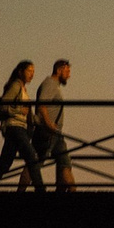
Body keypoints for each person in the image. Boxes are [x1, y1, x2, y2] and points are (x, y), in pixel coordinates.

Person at [0, 61, 44, 192]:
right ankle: (41, 190)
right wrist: (17, 111)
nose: (32, 75)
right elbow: (4, 105)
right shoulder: (16, 86)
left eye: (33, 72)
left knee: (5, 163)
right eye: (29, 71)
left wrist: (40, 120)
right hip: (15, 127)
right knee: (32, 156)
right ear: (20, 71)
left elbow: (27, 113)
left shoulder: (22, 88)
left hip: (18, 128)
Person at [33, 58, 75, 192]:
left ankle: (70, 190)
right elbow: (41, 105)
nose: (69, 74)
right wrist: (49, 124)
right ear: (59, 70)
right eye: (67, 71)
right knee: (35, 164)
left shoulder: (53, 85)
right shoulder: (50, 84)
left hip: (55, 132)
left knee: (64, 163)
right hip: (48, 131)